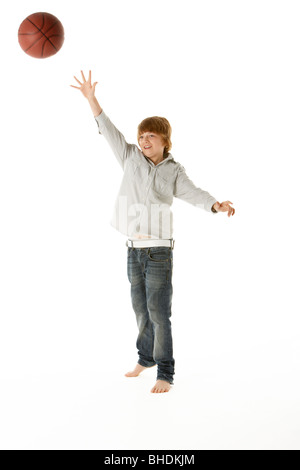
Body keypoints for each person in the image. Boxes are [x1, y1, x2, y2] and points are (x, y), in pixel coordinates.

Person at [71, 70, 235, 394]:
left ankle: (166, 372)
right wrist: (91, 99)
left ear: (164, 141)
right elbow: (108, 130)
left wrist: (216, 204)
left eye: (151, 137)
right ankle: (145, 358)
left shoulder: (174, 170)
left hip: (160, 251)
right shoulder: (130, 156)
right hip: (133, 249)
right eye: (142, 135)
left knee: (160, 313)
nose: (145, 141)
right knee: (140, 309)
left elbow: (193, 193)